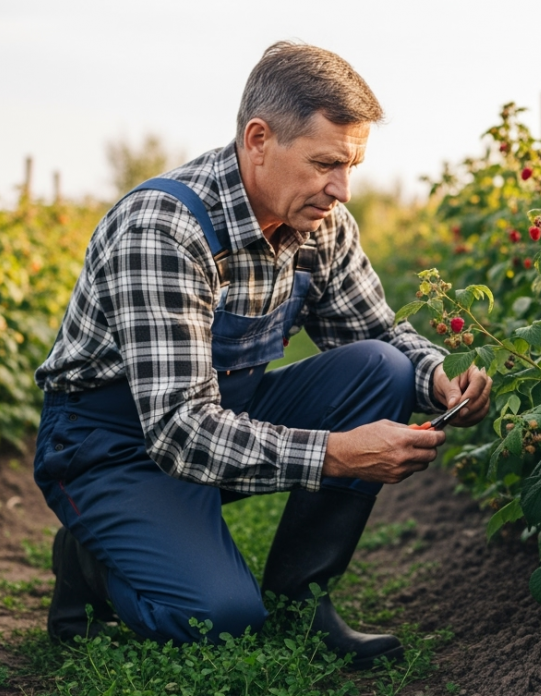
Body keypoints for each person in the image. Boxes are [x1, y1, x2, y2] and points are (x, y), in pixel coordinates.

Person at [32, 41, 492, 669]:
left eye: (351, 164)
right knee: (221, 619)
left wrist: (434, 375)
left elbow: (375, 332)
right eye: (327, 162)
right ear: (257, 139)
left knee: (382, 369)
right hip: (113, 443)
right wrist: (335, 455)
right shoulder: (164, 230)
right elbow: (177, 430)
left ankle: (303, 602)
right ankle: (88, 567)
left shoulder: (320, 222)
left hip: (221, 409)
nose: (343, 189)